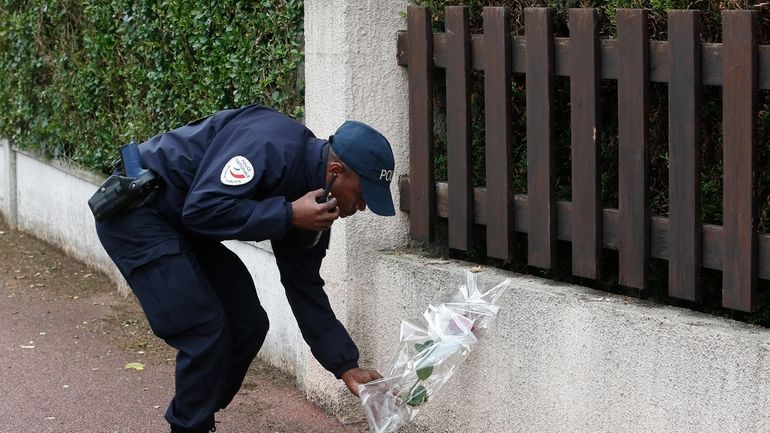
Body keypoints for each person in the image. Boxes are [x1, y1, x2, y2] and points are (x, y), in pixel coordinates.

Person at [92, 104, 394, 433]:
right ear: (335, 170)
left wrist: (346, 365)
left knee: (247, 323)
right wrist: (288, 214)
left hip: (180, 222)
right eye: (362, 195)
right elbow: (202, 207)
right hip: (137, 212)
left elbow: (304, 284)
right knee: (204, 328)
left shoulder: (317, 203)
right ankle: (189, 425)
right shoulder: (269, 145)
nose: (362, 207)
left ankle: (197, 418)